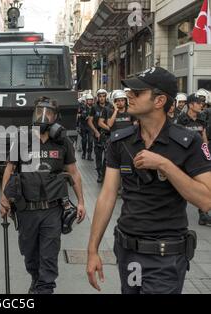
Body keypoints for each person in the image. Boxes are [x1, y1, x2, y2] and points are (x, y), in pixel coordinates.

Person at [86, 67, 211, 294]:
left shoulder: (188, 141)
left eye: (137, 92)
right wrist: (92, 249)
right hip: (128, 254)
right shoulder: (120, 142)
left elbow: (206, 200)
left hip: (165, 258)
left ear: (159, 100)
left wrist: (165, 165)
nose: (129, 96)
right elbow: (107, 196)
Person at [0, 97, 86, 294]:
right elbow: (9, 169)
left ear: (56, 117)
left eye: (49, 113)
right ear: (34, 114)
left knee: (48, 257)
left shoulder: (62, 141)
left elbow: (73, 173)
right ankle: (36, 280)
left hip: (52, 210)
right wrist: (4, 199)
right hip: (26, 210)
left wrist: (81, 202)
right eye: (40, 112)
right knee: (30, 256)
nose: (44, 116)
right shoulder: (23, 139)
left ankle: (44, 288)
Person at [176, 94, 210, 226]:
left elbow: (204, 137)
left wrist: (207, 154)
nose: (201, 105)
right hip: (184, 156)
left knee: (202, 185)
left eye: (202, 103)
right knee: (181, 184)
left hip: (198, 157)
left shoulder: (202, 119)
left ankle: (203, 214)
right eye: (198, 103)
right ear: (190, 105)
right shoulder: (181, 120)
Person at [88, 89, 110, 183]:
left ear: (106, 97)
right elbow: (90, 121)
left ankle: (104, 173)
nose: (102, 98)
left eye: (103, 96)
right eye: (100, 96)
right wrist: (96, 131)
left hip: (108, 134)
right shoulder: (94, 107)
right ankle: (100, 174)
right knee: (98, 155)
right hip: (97, 135)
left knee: (107, 156)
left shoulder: (110, 106)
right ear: (98, 97)